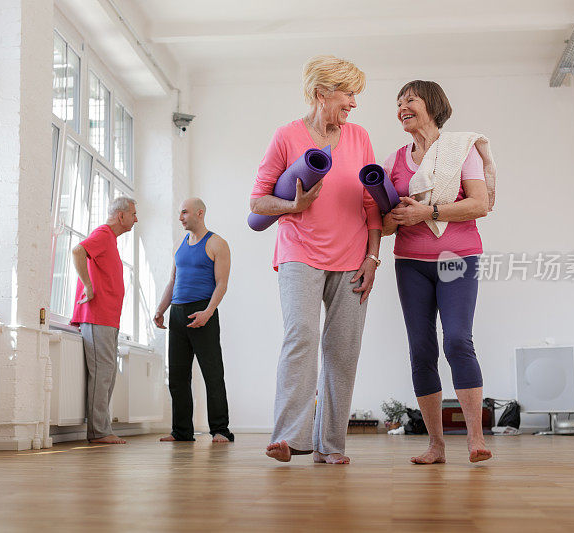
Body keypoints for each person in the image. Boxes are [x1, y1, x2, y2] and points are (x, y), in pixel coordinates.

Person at [251, 55, 382, 465]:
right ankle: (290, 438)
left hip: (353, 256)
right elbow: (258, 201)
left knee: (343, 349)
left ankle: (331, 446)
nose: (354, 103)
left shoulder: (359, 137)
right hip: (300, 252)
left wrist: (373, 258)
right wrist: (293, 203)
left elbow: (371, 203)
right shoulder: (287, 135)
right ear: (322, 93)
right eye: (348, 94)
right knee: (302, 336)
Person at [382, 80, 494, 463]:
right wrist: (394, 216)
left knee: (458, 341)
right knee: (421, 350)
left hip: (455, 259)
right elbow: (383, 224)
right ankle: (435, 444)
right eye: (398, 103)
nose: (401, 107)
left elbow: (479, 204)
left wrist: (426, 212)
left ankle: (475, 439)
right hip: (410, 262)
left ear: (431, 104)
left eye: (409, 100)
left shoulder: (461, 150)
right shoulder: (394, 161)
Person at [153, 198, 234, 443]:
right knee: (177, 376)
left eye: (184, 212)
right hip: (177, 313)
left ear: (200, 213)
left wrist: (208, 312)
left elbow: (222, 284)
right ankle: (181, 432)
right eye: (180, 213)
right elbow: (172, 281)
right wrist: (160, 310)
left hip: (202, 312)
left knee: (213, 374)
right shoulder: (181, 246)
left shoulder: (217, 243)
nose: (180, 217)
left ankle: (220, 430)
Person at [70, 196, 138, 444]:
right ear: (121, 216)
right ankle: (99, 432)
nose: (136, 218)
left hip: (108, 318)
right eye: (133, 214)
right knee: (103, 373)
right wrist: (87, 286)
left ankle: (102, 429)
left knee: (107, 373)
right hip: (98, 316)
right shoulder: (102, 233)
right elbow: (77, 250)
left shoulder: (110, 239)